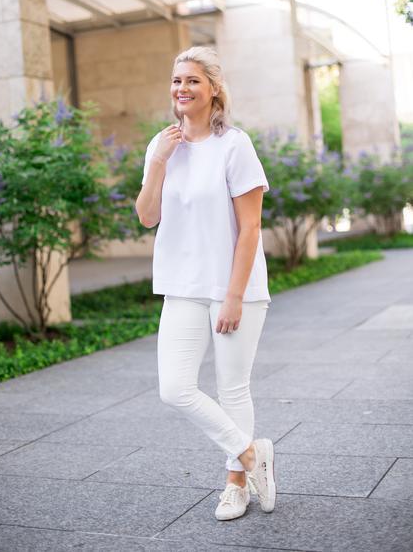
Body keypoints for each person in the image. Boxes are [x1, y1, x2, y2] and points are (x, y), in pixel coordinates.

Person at [135, 46, 276, 521]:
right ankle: (253, 455)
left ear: (213, 89)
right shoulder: (162, 144)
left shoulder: (235, 145)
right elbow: (147, 216)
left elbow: (251, 228)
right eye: (176, 81)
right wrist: (159, 161)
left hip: (233, 287)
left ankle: (236, 483)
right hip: (182, 285)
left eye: (192, 80)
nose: (182, 89)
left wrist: (234, 295)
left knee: (233, 388)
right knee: (174, 387)